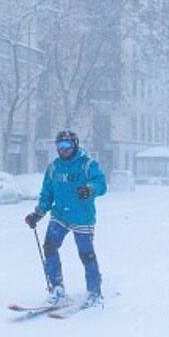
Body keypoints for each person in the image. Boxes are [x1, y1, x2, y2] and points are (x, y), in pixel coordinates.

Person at [24, 130, 107, 307]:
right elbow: (47, 193)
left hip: (82, 216)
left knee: (86, 254)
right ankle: (57, 289)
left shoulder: (87, 164)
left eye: (67, 145)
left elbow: (101, 184)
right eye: (60, 146)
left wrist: (90, 188)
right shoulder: (54, 167)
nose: (64, 150)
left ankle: (94, 291)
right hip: (60, 215)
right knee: (50, 247)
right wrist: (38, 213)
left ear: (75, 144)